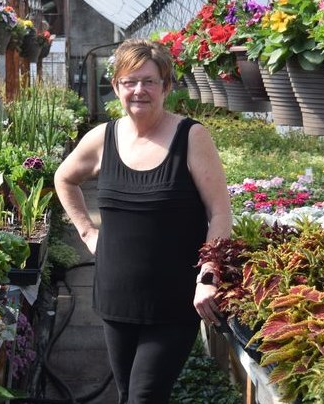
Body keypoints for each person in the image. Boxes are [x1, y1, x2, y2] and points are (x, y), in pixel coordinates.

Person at [53, 38, 232, 404]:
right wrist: (87, 231)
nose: (139, 90)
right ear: (116, 87)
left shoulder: (190, 137)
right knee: (126, 394)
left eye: (149, 81)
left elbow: (220, 212)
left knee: (145, 396)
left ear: (166, 87)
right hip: (115, 297)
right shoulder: (103, 138)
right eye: (129, 81)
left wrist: (209, 274)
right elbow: (64, 178)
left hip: (175, 299)